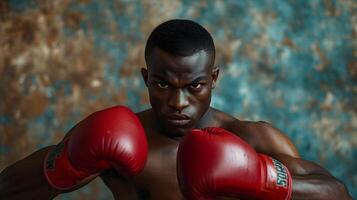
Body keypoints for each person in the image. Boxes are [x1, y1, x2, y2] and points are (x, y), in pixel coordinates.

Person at [0, 19, 352, 200]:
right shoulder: (119, 136)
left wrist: (261, 178)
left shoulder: (252, 138)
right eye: (163, 84)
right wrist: (65, 164)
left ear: (213, 79)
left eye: (194, 86)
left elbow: (337, 194)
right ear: (146, 78)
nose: (177, 103)